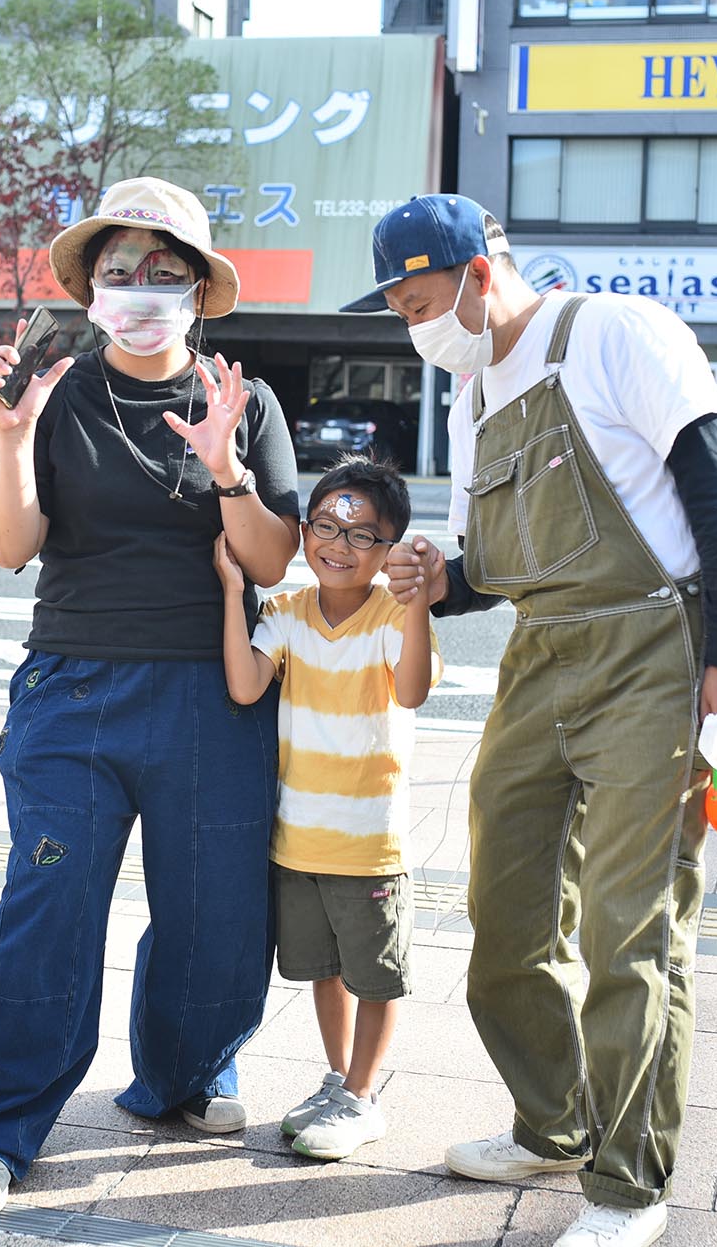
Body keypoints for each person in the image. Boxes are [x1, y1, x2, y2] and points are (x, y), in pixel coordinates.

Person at [353, 196, 717, 1247]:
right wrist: (433, 578)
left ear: (479, 273)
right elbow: (487, 572)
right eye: (398, 310)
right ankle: (553, 1121)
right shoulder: (471, 399)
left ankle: (628, 1185)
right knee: (504, 915)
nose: (412, 326)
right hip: (540, 652)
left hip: (654, 644)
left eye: (419, 302)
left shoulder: (616, 332)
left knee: (632, 928)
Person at [0, 177, 301, 1218]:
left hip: (214, 690)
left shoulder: (245, 400)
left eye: (164, 270)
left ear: (198, 289)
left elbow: (271, 559)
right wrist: (11, 436)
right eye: (119, 269)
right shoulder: (54, 391)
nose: (141, 287)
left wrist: (228, 466)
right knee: (46, 904)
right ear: (90, 286)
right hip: (73, 683)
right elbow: (9, 545)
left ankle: (186, 1072)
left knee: (215, 908)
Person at [212, 457, 439, 1162]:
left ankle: (363, 1097)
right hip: (298, 840)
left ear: (389, 547)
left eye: (363, 534)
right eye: (327, 527)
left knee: (375, 976)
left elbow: (412, 691)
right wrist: (234, 592)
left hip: (368, 844)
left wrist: (420, 603)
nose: (340, 545)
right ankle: (339, 1080)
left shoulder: (392, 615)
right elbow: (245, 686)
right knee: (323, 970)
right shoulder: (285, 614)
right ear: (305, 530)